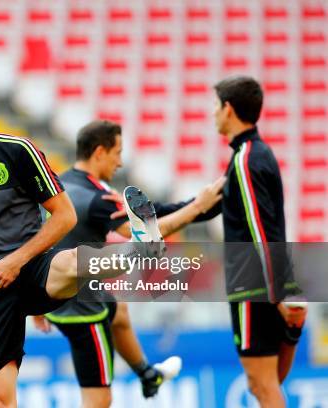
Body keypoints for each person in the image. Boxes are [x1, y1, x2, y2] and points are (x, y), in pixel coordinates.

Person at [0, 67, 162, 408]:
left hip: (33, 267)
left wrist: (17, 259)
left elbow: (65, 215)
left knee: (75, 261)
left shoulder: (17, 151)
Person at [32, 120, 224, 407]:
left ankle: (147, 375)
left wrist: (36, 301)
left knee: (119, 310)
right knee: (99, 400)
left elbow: (37, 236)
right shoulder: (98, 199)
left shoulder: (60, 183)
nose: (121, 162)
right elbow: (147, 230)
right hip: (84, 310)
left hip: (58, 298)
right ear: (99, 152)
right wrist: (198, 207)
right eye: (117, 153)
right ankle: (148, 376)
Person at [212, 76, 306, 407]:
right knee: (266, 383)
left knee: (263, 384)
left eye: (216, 106)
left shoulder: (245, 159)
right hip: (261, 282)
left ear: (228, 109)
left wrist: (278, 293)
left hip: (253, 285)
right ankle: (293, 331)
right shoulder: (258, 153)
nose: (213, 114)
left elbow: (259, 230)